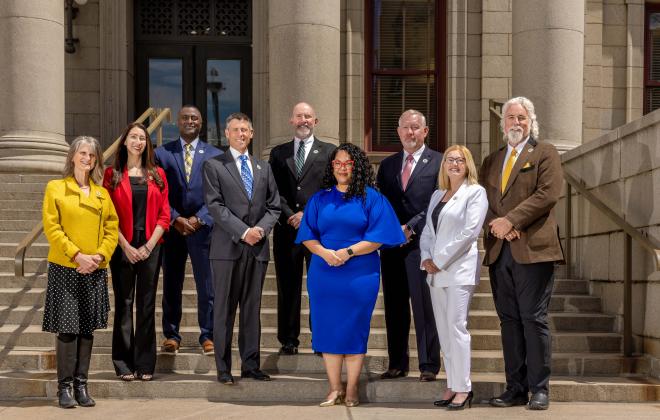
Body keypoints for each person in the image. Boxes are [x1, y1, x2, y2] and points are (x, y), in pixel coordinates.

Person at [296, 143, 405, 407]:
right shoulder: (319, 199)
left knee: (354, 329)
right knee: (328, 329)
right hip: (324, 272)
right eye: (337, 163)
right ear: (331, 167)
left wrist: (347, 252)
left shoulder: (372, 198)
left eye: (348, 163)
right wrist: (324, 253)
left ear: (357, 167)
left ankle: (353, 388)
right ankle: (335, 388)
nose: (342, 168)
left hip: (359, 272)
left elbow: (379, 237)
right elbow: (307, 235)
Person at [479, 96, 563, 410]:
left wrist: (511, 220)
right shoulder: (492, 159)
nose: (516, 123)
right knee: (509, 321)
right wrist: (496, 225)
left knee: (533, 319)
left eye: (521, 118)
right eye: (510, 118)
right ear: (502, 124)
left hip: (534, 249)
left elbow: (548, 194)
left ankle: (539, 388)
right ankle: (515, 388)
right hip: (500, 251)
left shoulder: (545, 153)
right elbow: (481, 200)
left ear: (531, 122)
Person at [203, 112, 281, 385]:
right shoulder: (214, 166)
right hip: (227, 249)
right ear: (226, 134)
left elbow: (274, 206)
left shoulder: (263, 168)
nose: (241, 134)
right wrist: (244, 231)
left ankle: (251, 365)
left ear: (252, 133)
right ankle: (223, 369)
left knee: (251, 309)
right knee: (224, 310)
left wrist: (260, 229)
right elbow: (215, 206)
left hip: (257, 250)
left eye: (245, 129)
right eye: (235, 129)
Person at [42, 136, 119, 408]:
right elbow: (53, 228)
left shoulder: (102, 194)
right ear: (72, 157)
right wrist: (77, 255)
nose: (87, 158)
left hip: (95, 268)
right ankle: (63, 389)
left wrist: (99, 255)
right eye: (82, 153)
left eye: (92, 155)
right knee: (67, 330)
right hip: (66, 266)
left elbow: (112, 228)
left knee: (86, 330)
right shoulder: (56, 188)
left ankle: (81, 386)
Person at [419, 145, 488, 410]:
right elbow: (428, 231)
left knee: (457, 329)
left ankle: (464, 388)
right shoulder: (438, 195)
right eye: (450, 160)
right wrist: (426, 257)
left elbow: (470, 233)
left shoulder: (475, 193)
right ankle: (451, 384)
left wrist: (439, 259)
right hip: (435, 273)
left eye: (460, 160)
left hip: (458, 271)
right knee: (444, 332)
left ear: (468, 164)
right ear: (444, 165)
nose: (454, 164)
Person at [376, 109, 442, 381]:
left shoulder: (438, 162)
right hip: (392, 246)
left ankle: (428, 365)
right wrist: (393, 229)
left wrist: (411, 227)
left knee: (425, 307)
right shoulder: (387, 165)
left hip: (422, 245)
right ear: (398, 131)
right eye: (405, 127)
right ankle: (397, 363)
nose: (410, 132)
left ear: (425, 132)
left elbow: (438, 202)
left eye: (416, 127)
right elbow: (381, 203)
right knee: (394, 306)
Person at [103, 123, 170, 381]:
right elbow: (108, 217)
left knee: (146, 305)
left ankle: (145, 364)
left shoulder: (158, 174)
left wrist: (148, 246)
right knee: (124, 304)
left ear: (147, 144)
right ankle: (122, 363)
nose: (138, 142)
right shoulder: (112, 175)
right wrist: (127, 246)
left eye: (142, 138)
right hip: (122, 248)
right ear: (124, 142)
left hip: (151, 247)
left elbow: (165, 215)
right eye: (133, 137)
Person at [268, 102, 336, 355]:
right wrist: (290, 215)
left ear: (315, 121)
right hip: (287, 231)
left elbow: (331, 190)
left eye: (308, 116)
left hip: (318, 230)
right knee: (288, 285)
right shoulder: (278, 153)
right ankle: (288, 339)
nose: (303, 120)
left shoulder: (329, 152)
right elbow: (272, 190)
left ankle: (321, 338)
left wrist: (306, 214)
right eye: (299, 116)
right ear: (291, 120)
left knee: (320, 285)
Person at [155, 105, 223, 355]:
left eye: (195, 118)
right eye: (185, 118)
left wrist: (199, 218)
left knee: (207, 285)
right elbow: (159, 192)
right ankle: (171, 335)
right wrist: (175, 218)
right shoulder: (162, 153)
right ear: (178, 122)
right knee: (172, 284)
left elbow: (218, 194)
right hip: (172, 229)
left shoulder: (215, 154)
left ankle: (208, 335)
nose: (190, 121)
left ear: (201, 123)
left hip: (203, 229)